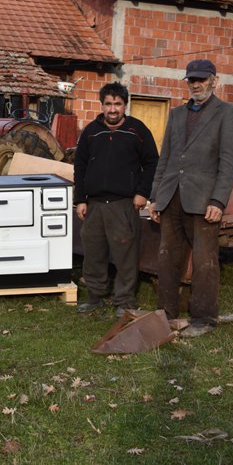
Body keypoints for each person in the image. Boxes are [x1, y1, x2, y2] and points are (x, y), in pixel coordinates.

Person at [148, 59, 233, 337]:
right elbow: (165, 158)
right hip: (171, 197)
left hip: (204, 201)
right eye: (192, 80)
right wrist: (155, 197)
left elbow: (229, 162)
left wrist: (218, 200)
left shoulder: (227, 113)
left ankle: (204, 318)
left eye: (201, 79)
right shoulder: (177, 114)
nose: (196, 84)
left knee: (204, 261)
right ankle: (166, 314)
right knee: (166, 258)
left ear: (214, 80)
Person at [74, 82, 159, 317]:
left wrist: (143, 192)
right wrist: (80, 199)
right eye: (108, 104)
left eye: (118, 104)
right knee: (94, 253)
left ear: (125, 105)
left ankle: (125, 300)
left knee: (125, 255)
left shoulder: (137, 130)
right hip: (94, 205)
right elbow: (80, 165)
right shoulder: (91, 131)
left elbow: (152, 162)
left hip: (124, 204)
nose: (113, 109)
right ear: (102, 105)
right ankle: (95, 296)